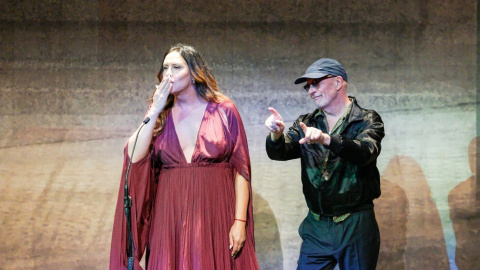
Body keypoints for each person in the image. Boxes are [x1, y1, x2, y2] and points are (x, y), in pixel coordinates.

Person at [110, 44, 259, 269]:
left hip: (215, 214)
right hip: (169, 218)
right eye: (165, 67)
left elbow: (242, 170)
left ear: (194, 72)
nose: (168, 73)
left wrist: (240, 222)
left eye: (176, 67)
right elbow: (133, 157)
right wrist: (154, 110)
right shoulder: (160, 113)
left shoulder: (224, 110)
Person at [264, 58, 385, 270]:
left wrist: (326, 139)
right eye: (308, 86)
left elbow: (365, 152)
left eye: (316, 82)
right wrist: (276, 134)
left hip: (354, 223)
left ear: (338, 82)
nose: (311, 90)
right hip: (317, 225)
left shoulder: (367, 119)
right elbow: (281, 151)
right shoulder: (306, 122)